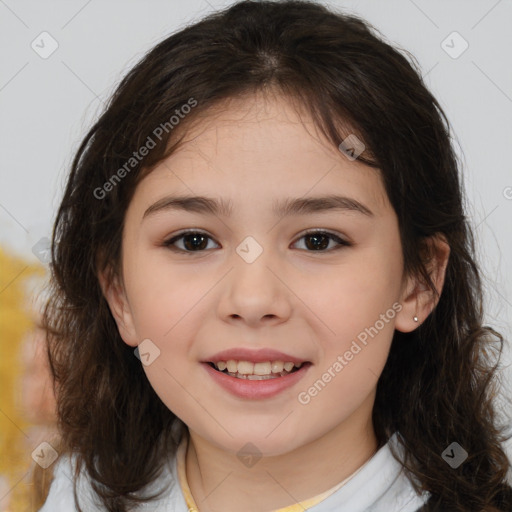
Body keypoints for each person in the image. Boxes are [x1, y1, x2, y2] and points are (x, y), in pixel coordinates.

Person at [36, 1, 512, 510]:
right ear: (118, 291)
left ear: (417, 281)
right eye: (193, 241)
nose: (253, 298)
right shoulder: (72, 492)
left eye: (318, 240)